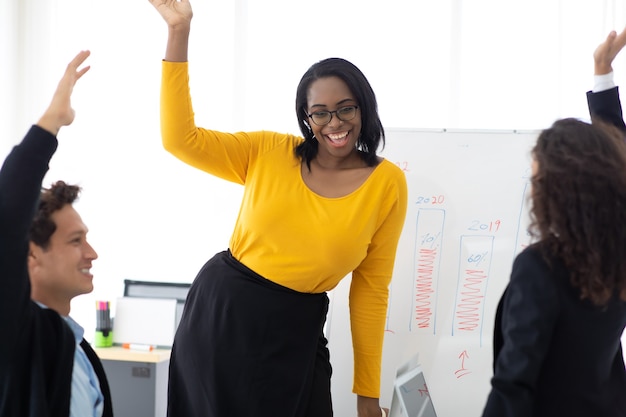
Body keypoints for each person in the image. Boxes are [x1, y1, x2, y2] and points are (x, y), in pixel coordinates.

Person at [148, 1, 408, 416]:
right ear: (306, 119)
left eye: (345, 108)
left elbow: (370, 292)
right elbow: (181, 139)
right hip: (224, 317)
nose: (334, 123)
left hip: (298, 328)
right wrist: (179, 31)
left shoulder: (387, 183)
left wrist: (367, 397)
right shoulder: (269, 152)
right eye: (319, 113)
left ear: (363, 107)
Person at [481, 30, 626, 417]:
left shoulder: (540, 269)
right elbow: (614, 167)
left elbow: (514, 386)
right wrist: (602, 76)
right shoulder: (616, 258)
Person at [0, 51, 114, 417]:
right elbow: (7, 212)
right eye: (75, 241)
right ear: (30, 255)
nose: (92, 253)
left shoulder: (75, 345)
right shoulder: (16, 335)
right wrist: (53, 120)